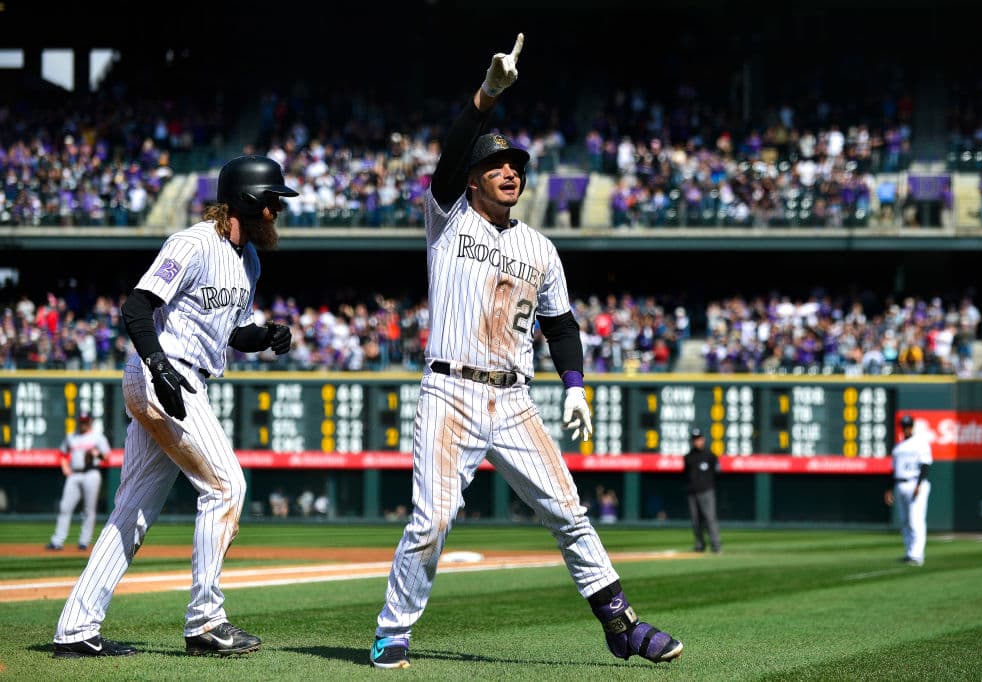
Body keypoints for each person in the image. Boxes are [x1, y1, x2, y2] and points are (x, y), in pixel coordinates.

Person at [369, 34, 682, 670]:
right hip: (449, 391)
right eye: (497, 164)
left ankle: (619, 623)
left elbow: (562, 325)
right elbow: (453, 153)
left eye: (517, 164)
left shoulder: (540, 248)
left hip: (514, 397)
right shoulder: (447, 220)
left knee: (569, 510)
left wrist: (574, 384)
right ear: (474, 179)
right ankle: (392, 629)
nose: (510, 171)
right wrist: (487, 97)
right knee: (431, 521)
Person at [51, 155, 296, 658]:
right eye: (271, 201)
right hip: (163, 372)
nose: (277, 211)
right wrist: (160, 369)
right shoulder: (192, 243)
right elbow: (136, 307)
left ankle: (75, 628)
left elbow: (232, 334)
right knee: (227, 486)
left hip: (181, 375)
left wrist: (266, 335)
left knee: (132, 510)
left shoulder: (248, 260)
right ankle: (205, 622)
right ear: (248, 201)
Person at [45, 412, 110, 551]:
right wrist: (65, 467)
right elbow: (62, 453)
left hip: (91, 473)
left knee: (88, 510)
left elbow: (106, 457)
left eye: (85, 421)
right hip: (74, 474)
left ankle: (84, 542)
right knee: (64, 507)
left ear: (90, 422)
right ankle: (57, 541)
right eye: (81, 421)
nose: (83, 423)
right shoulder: (72, 436)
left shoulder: (97, 437)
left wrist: (97, 454)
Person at [885, 415, 932, 566]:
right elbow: (893, 470)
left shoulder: (920, 444)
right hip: (900, 483)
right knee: (905, 521)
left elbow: (925, 465)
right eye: (904, 426)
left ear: (912, 427)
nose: (906, 428)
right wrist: (889, 489)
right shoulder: (898, 447)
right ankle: (909, 552)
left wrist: (919, 484)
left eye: (908, 426)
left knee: (915, 520)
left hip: (915, 483)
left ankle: (917, 555)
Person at [682, 428, 721, 554]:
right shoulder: (688, 457)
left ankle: (716, 545)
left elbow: (718, 471)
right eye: (694, 439)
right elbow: (685, 474)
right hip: (692, 492)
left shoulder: (710, 455)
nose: (696, 442)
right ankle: (700, 545)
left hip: (707, 491)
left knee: (710, 518)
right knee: (695, 520)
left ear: (703, 439)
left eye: (698, 439)